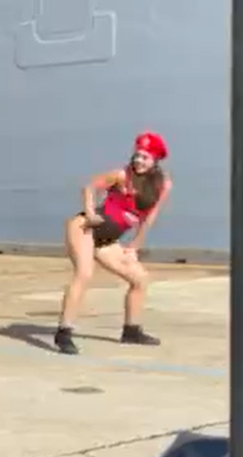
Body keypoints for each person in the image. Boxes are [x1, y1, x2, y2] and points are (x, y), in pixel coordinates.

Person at [54, 131, 172, 355]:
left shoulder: (163, 185)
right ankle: (64, 332)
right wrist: (90, 212)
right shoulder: (120, 175)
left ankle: (132, 331)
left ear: (155, 160)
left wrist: (134, 247)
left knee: (140, 279)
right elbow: (89, 187)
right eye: (137, 155)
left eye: (145, 157)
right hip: (85, 228)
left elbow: (149, 218)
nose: (138, 160)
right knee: (84, 274)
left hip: (108, 241)